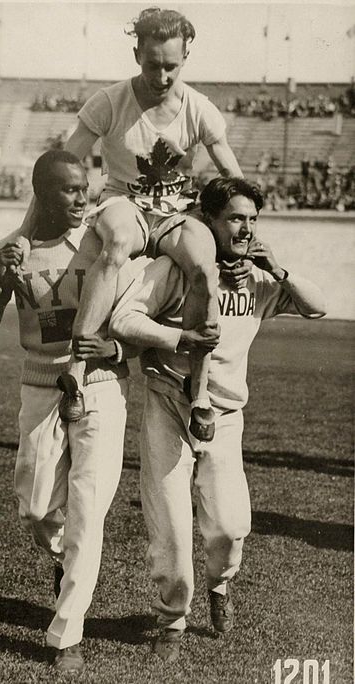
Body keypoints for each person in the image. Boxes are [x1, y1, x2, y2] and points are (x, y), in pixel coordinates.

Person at [109, 177, 326, 662]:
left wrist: (280, 268)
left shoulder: (260, 280)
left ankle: (220, 586)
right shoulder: (175, 267)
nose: (245, 229)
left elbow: (318, 307)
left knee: (229, 527)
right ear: (209, 221)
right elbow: (124, 319)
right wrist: (178, 339)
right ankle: (173, 620)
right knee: (170, 522)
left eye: (252, 219)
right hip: (170, 404)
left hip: (226, 415)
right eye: (235, 218)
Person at [0, 150, 144, 674]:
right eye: (68, 190)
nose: (81, 198)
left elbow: (137, 319)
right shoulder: (11, 249)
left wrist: (112, 352)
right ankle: (64, 561)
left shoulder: (104, 241)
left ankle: (67, 635)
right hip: (39, 385)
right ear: (41, 194)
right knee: (37, 506)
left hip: (101, 388)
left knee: (88, 511)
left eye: (84, 187)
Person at [26, 6, 244, 440]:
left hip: (177, 212)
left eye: (171, 66)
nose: (161, 77)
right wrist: (25, 231)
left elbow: (235, 182)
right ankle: (77, 368)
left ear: (185, 60)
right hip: (123, 201)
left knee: (203, 265)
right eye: (152, 65)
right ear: (135, 53)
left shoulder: (199, 109)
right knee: (117, 242)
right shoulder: (109, 102)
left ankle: (199, 391)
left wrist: (252, 243)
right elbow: (58, 170)